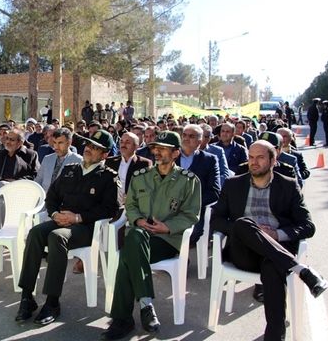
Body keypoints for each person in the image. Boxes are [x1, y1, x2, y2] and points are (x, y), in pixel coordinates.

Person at [211, 140, 328, 341]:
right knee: (243, 223)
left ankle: (275, 336)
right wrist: (247, 230)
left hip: (276, 250)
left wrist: (276, 235)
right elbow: (216, 220)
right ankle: (302, 270)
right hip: (243, 252)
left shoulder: (288, 186)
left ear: (273, 160)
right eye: (251, 157)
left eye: (260, 157)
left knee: (273, 268)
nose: (253, 162)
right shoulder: (233, 184)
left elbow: (307, 226)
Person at [101, 131, 200, 339]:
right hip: (140, 233)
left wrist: (168, 227)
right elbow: (131, 205)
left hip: (166, 239)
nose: (157, 152)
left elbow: (191, 215)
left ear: (175, 153)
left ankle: (122, 320)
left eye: (163, 148)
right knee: (135, 237)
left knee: (127, 257)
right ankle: (146, 305)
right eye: (155, 147)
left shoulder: (189, 181)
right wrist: (137, 220)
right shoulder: (141, 177)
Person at [15, 130, 120, 325]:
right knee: (35, 232)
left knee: (57, 237)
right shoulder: (70, 169)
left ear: (105, 154)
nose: (88, 149)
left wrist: (78, 217)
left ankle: (52, 302)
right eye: (88, 145)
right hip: (61, 219)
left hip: (86, 228)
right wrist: (55, 214)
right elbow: (52, 197)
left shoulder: (108, 177)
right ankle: (27, 297)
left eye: (95, 148)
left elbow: (110, 209)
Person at [177, 124, 220, 245]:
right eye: (184, 135)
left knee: (190, 233)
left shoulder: (209, 160)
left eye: (191, 136)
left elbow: (214, 192)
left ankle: (180, 257)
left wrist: (191, 202)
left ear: (199, 141)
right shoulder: (171, 157)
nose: (186, 138)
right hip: (168, 209)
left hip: (194, 211)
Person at [34, 127, 82, 193]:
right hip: (45, 199)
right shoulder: (47, 159)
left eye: (60, 143)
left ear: (69, 142)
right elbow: (38, 180)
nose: (56, 147)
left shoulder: (78, 160)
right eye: (54, 142)